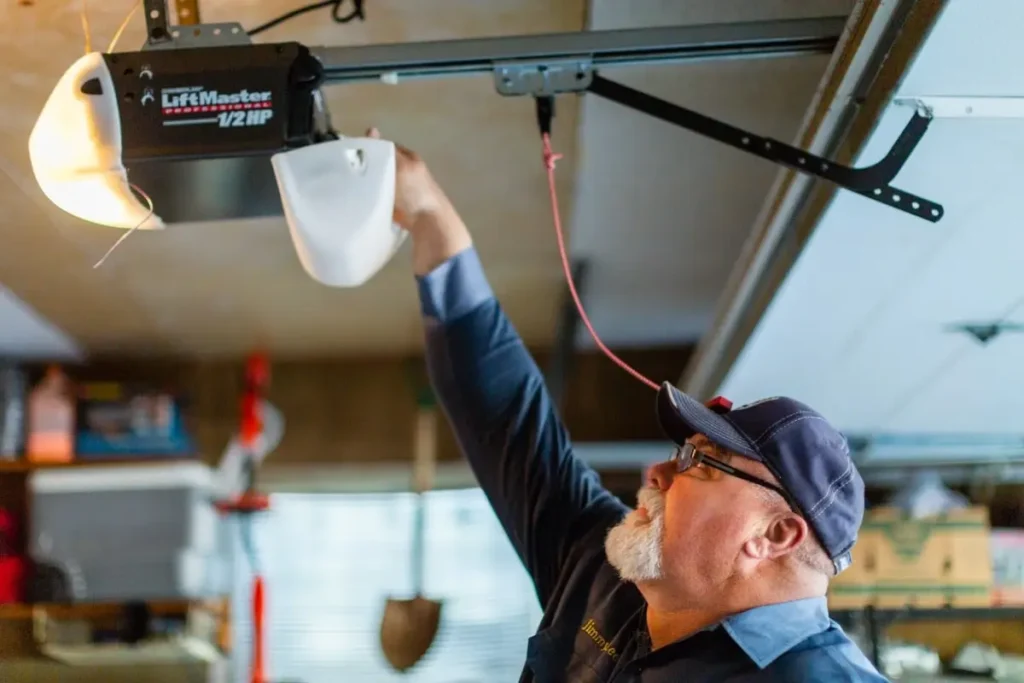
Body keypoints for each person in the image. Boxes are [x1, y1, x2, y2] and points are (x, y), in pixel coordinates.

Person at [373, 127, 888, 682]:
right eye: (679, 452)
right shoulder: (603, 574)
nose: (658, 472)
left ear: (775, 535)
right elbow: (505, 420)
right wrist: (428, 214)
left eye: (699, 463)